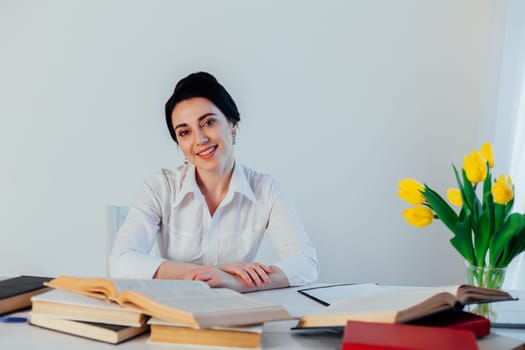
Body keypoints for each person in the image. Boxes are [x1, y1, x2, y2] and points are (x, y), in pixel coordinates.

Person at [109, 72, 319, 292]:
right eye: (184, 132)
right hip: (176, 310)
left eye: (208, 122)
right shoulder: (161, 186)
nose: (199, 139)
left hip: (235, 311)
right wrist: (206, 274)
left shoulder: (265, 189)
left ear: (232, 124)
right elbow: (121, 261)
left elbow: (305, 263)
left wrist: (234, 281)